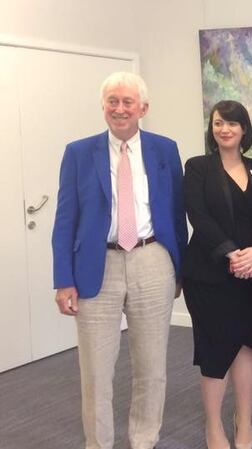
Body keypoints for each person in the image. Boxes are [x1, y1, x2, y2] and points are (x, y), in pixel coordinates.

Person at [51, 71, 187, 449]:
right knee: (96, 371)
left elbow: (177, 213)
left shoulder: (165, 149)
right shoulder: (79, 153)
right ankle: (99, 444)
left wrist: (180, 268)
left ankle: (144, 440)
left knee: (151, 366)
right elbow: (65, 220)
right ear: (103, 106)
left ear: (143, 107)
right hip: (98, 266)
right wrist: (64, 279)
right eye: (113, 101)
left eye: (128, 102)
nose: (120, 108)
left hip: (153, 259)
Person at [182, 100, 252, 449]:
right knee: (215, 349)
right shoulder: (198, 167)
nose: (225, 129)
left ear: (244, 129)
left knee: (245, 346)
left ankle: (243, 421)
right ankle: (214, 427)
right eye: (218, 123)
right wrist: (231, 253)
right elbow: (198, 214)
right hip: (209, 274)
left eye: (232, 124)